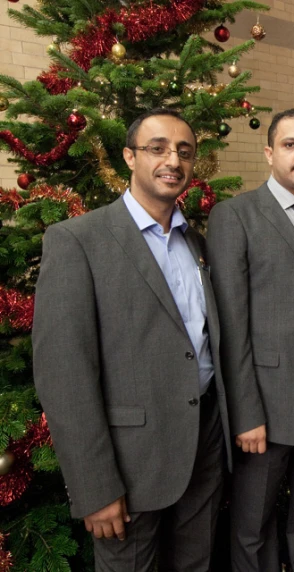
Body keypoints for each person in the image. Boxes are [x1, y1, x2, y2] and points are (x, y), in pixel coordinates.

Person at [32, 109, 231, 570]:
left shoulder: (195, 243)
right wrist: (95, 486)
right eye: (157, 148)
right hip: (130, 462)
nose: (173, 161)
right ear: (129, 157)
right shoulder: (77, 241)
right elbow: (64, 375)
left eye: (184, 151)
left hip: (203, 446)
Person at [206, 108, 294, 572]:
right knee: (253, 526)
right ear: (269, 153)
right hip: (265, 408)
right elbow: (230, 324)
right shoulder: (235, 216)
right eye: (290, 145)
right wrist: (245, 413)